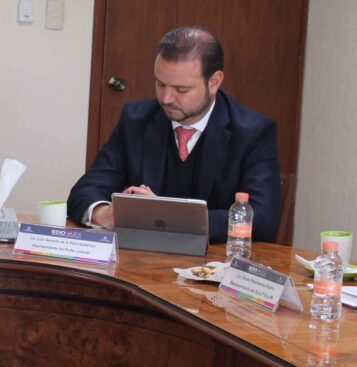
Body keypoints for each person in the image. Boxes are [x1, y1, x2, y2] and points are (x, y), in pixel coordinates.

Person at [67, 26, 281, 243]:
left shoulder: (252, 132)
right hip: (141, 256)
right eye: (160, 84)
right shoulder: (136, 120)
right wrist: (105, 213)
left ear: (214, 82)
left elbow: (262, 219)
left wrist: (165, 216)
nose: (166, 98)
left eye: (181, 89)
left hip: (213, 259)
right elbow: (85, 191)